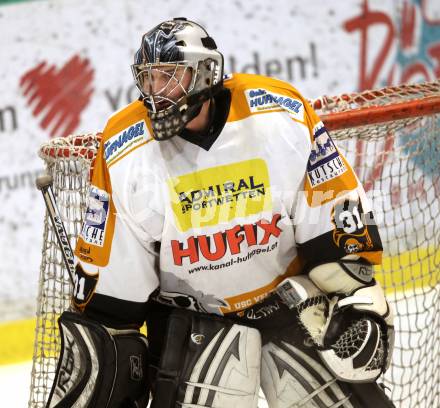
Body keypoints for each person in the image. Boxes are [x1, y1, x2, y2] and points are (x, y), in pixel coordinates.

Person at [46, 18, 395, 408]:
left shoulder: (278, 115)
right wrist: (109, 355)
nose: (156, 94)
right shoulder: (125, 150)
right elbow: (114, 294)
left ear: (206, 73)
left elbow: (331, 218)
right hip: (196, 326)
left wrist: (356, 296)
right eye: (148, 80)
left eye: (170, 77)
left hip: (293, 310)